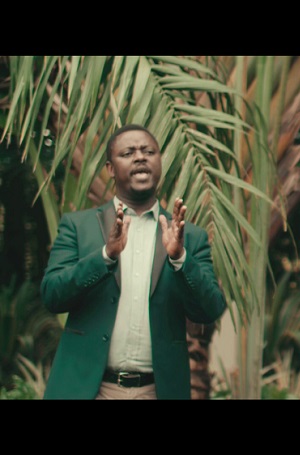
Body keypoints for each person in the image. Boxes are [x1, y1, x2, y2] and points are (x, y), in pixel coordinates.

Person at [40, 124, 227, 399]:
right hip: (90, 390)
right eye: (128, 153)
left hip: (156, 391)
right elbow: (52, 296)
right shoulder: (78, 227)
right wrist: (106, 255)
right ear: (110, 169)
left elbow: (211, 309)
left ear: (159, 162)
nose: (140, 157)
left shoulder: (190, 237)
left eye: (148, 151)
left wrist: (180, 259)